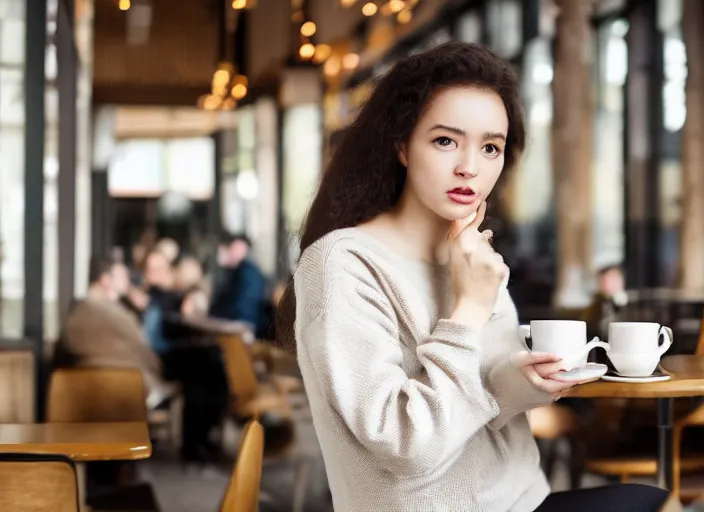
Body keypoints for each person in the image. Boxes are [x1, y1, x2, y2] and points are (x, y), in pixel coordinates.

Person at [276, 43, 668, 511]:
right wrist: (469, 310)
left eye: (490, 147)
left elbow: (482, 396)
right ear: (401, 144)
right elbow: (406, 443)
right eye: (445, 140)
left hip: (521, 501)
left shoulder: (473, 254)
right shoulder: (342, 264)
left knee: (658, 502)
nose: (470, 167)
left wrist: (526, 381)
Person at [59, 256, 172, 409]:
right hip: (126, 391)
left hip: (86, 392)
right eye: (122, 275)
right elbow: (144, 350)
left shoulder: (79, 311)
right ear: (106, 280)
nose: (128, 279)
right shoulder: (112, 314)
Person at [210, 233, 267, 336]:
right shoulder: (235, 272)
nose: (221, 253)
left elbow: (242, 309)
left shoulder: (248, 273)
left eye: (227, 247)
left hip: (244, 332)